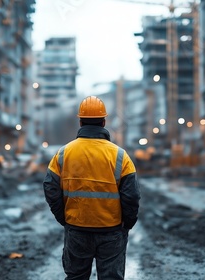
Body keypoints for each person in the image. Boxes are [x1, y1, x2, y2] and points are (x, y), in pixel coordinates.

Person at [43, 95, 141, 280]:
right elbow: (132, 195)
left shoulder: (64, 153)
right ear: (104, 121)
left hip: (77, 228)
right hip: (111, 230)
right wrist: (127, 224)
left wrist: (63, 216)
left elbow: (50, 186)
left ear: (80, 121)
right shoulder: (120, 155)